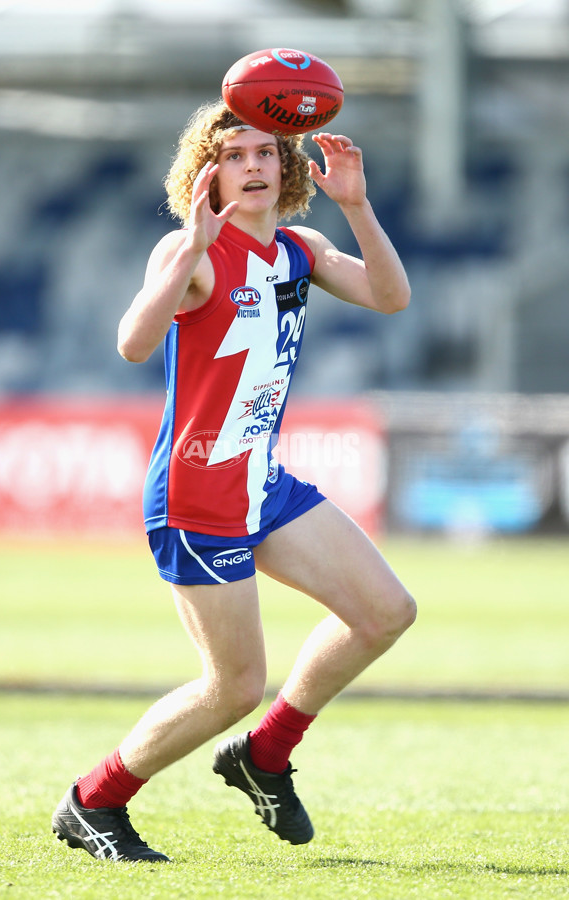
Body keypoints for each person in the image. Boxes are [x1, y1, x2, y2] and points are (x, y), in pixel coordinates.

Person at [52, 100, 416, 862]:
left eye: (265, 153)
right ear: (205, 174)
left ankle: (266, 756)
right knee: (232, 686)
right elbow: (131, 344)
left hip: (263, 481)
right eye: (233, 153)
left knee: (385, 612)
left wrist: (356, 204)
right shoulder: (188, 252)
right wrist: (187, 251)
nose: (253, 165)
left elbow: (391, 297)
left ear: (285, 170)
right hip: (197, 494)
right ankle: (94, 801)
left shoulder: (300, 248)